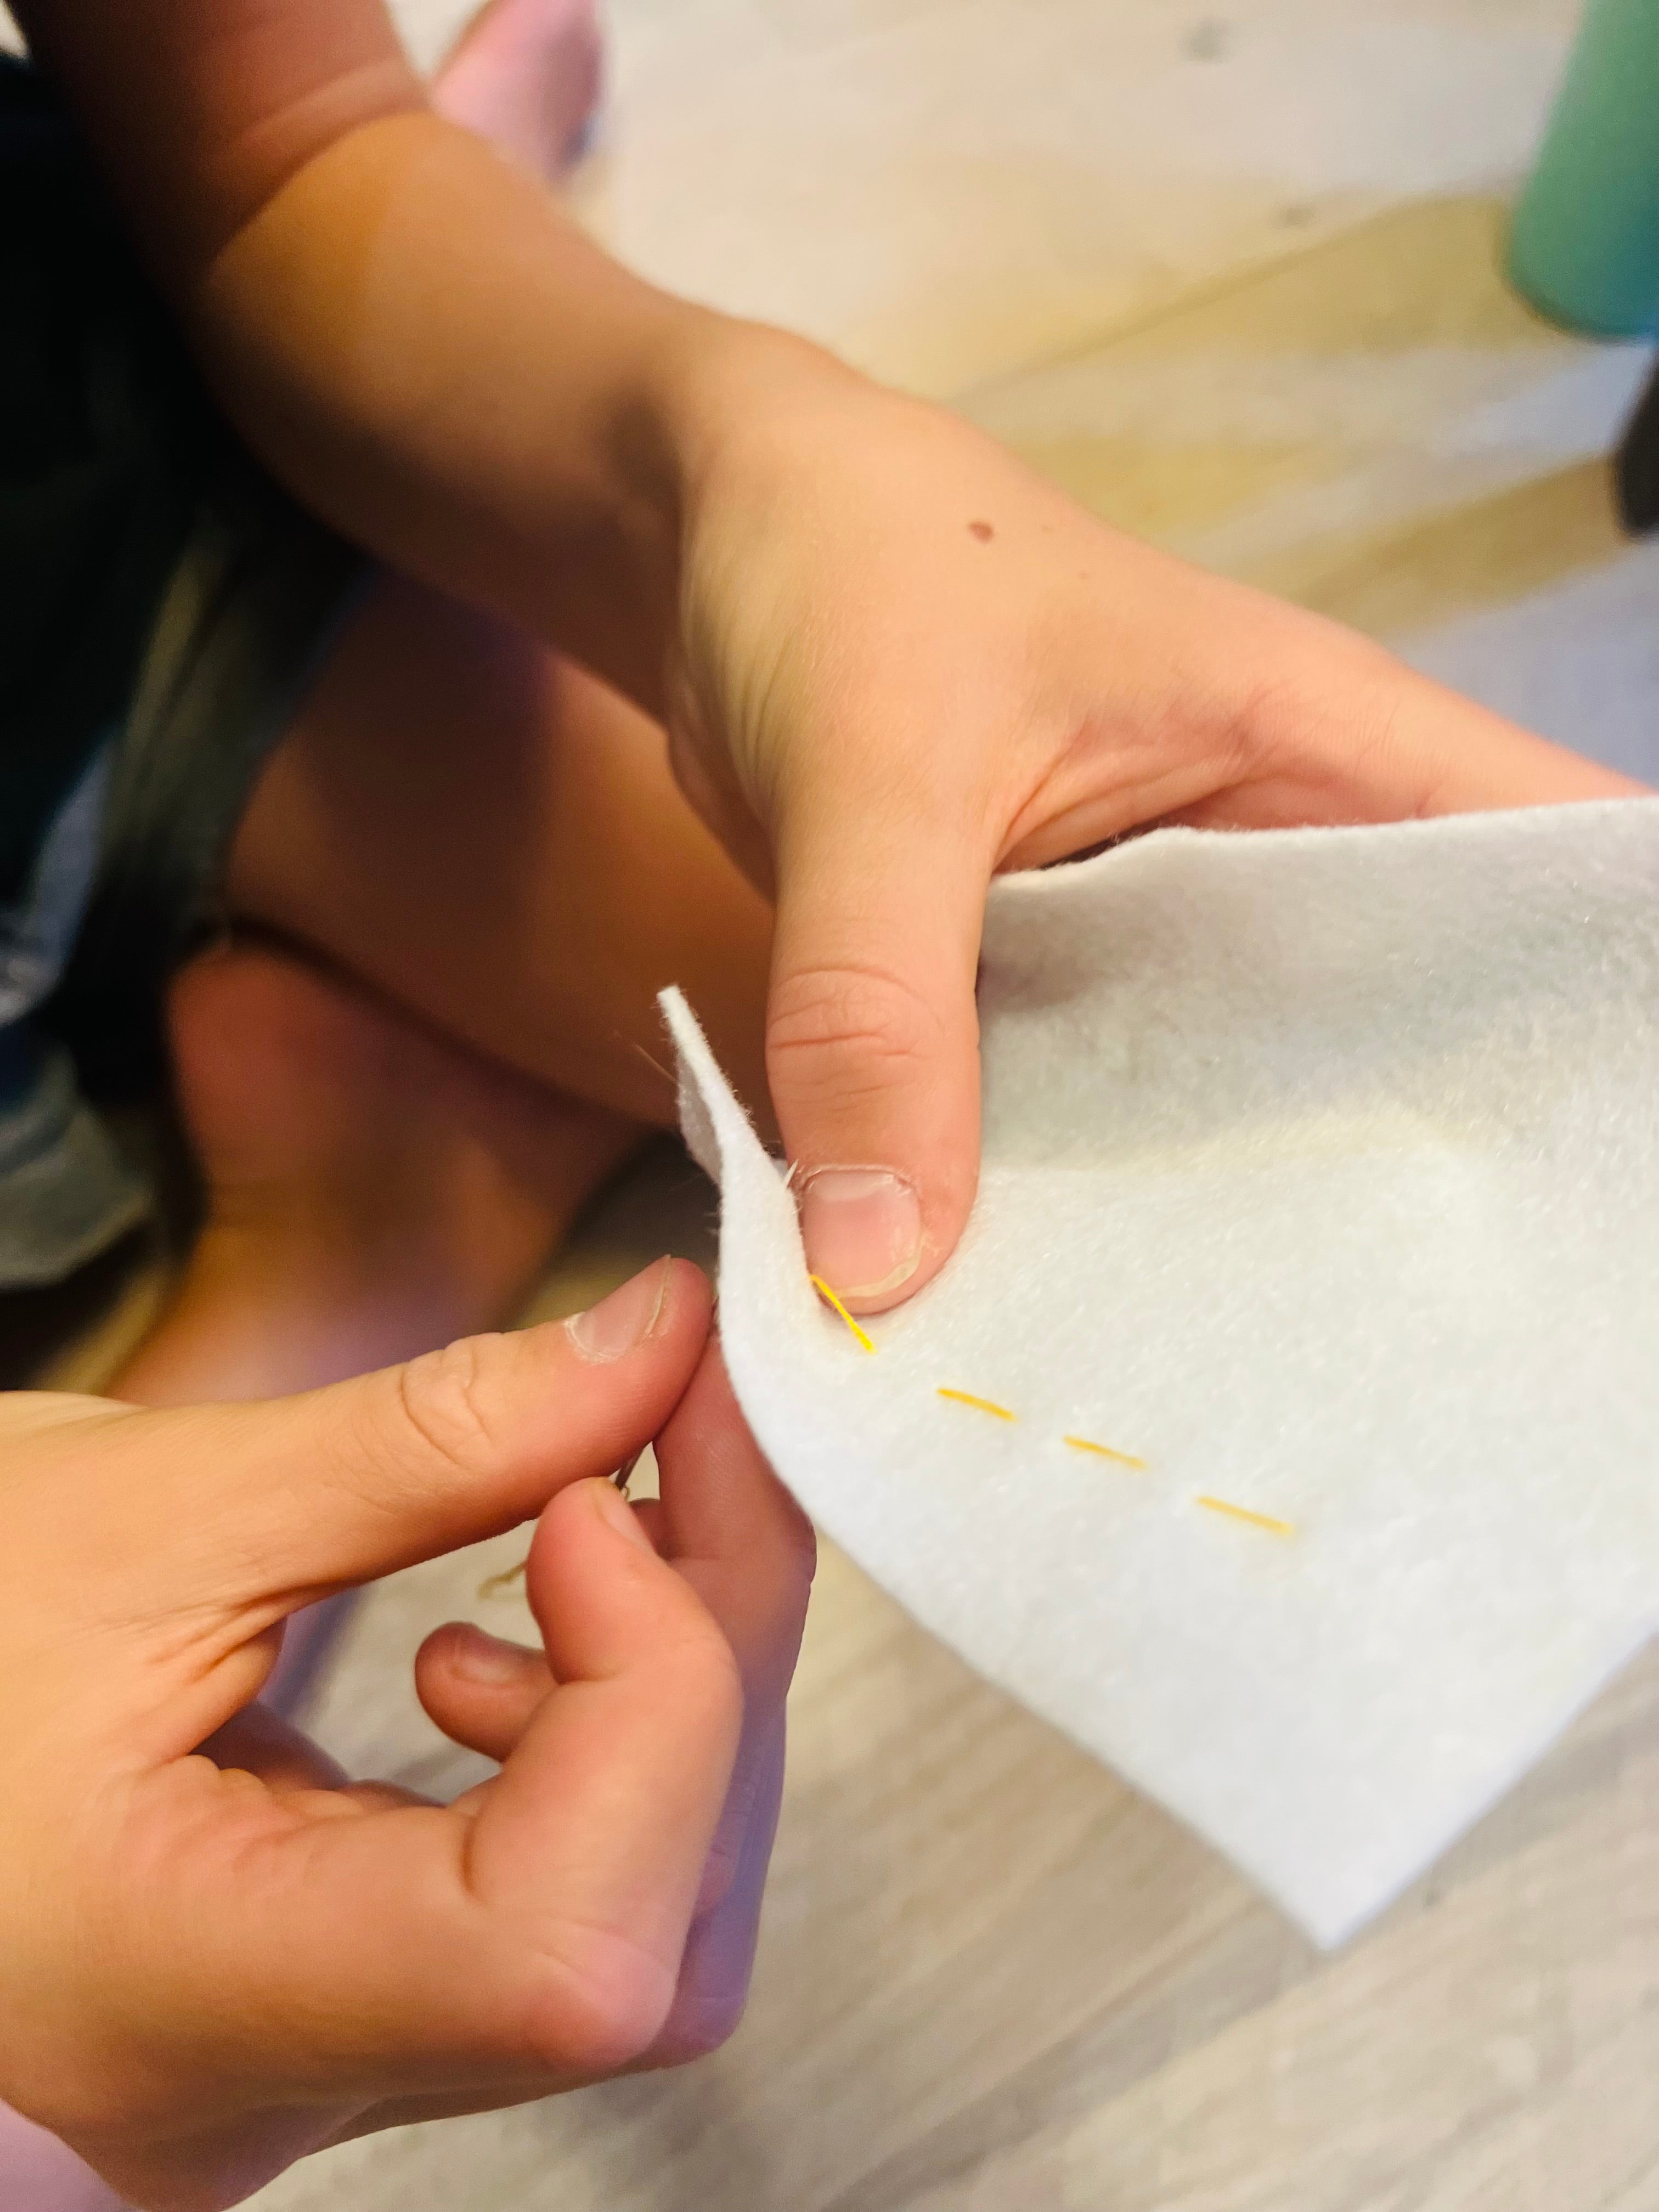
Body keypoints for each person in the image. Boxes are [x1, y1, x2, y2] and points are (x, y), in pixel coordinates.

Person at [0, 0, 1643, 2203]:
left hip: (70, 580)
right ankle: (354, 1255)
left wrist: (736, 448)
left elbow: (278, 151)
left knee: (986, 986)